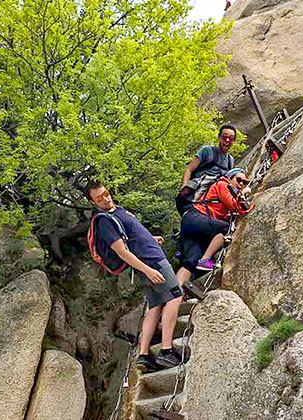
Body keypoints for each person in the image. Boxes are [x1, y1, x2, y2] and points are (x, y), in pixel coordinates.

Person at [87, 182, 185, 373]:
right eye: (99, 198)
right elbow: (122, 252)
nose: (106, 199)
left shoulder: (118, 211)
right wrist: (148, 270)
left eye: (106, 194)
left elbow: (133, 235)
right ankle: (166, 350)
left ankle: (144, 356)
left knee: (156, 305)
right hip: (152, 262)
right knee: (175, 296)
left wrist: (151, 238)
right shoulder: (104, 220)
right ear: (93, 202)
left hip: (150, 258)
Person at [176, 168, 252, 285]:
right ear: (230, 178)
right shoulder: (222, 184)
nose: (241, 183)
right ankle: (205, 259)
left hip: (194, 225)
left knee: (190, 263)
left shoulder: (229, 191)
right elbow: (233, 206)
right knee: (226, 228)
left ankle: (173, 295)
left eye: (244, 182)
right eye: (238, 179)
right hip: (196, 217)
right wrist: (243, 193)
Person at [176, 124, 237, 216]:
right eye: (225, 137)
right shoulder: (207, 151)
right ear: (219, 137)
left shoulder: (230, 160)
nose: (227, 140)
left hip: (213, 195)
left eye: (231, 138)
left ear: (234, 141)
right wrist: (183, 187)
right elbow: (189, 169)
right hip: (197, 189)